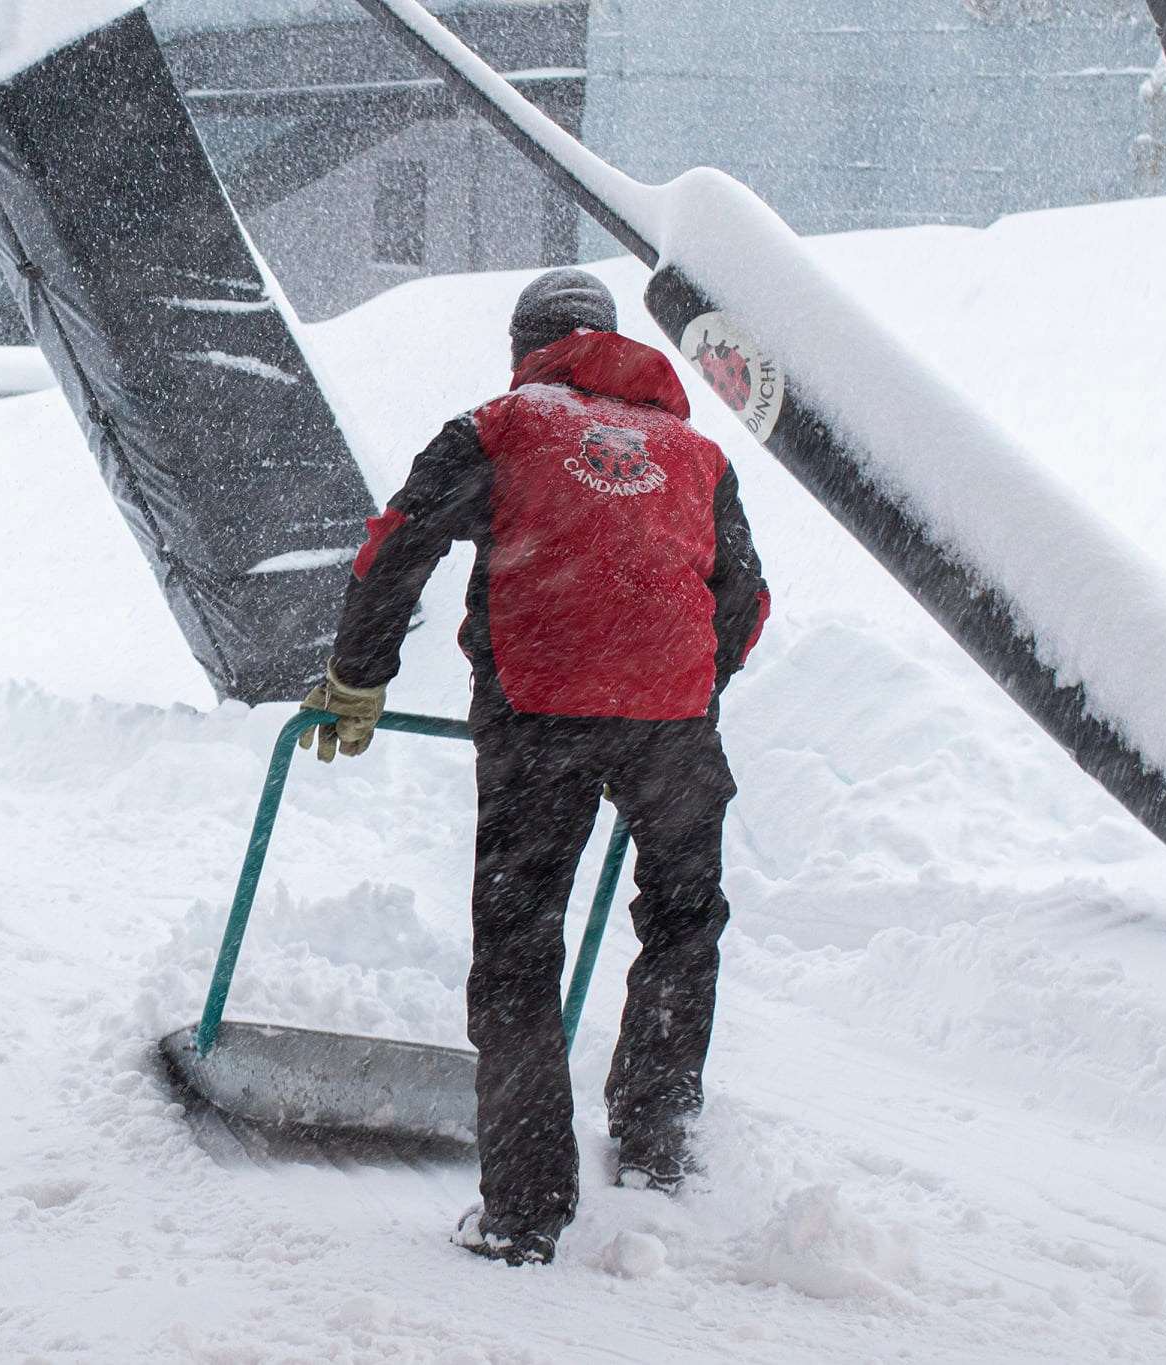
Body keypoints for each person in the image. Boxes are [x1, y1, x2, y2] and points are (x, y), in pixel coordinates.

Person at [299, 268, 769, 1267]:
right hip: (671, 729)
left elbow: (396, 546)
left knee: (518, 951)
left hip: (538, 713)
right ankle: (653, 1142)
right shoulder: (693, 456)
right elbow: (744, 599)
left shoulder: (500, 426)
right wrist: (678, 685)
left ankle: (524, 1209)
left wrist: (356, 674)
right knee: (682, 922)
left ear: (524, 348)